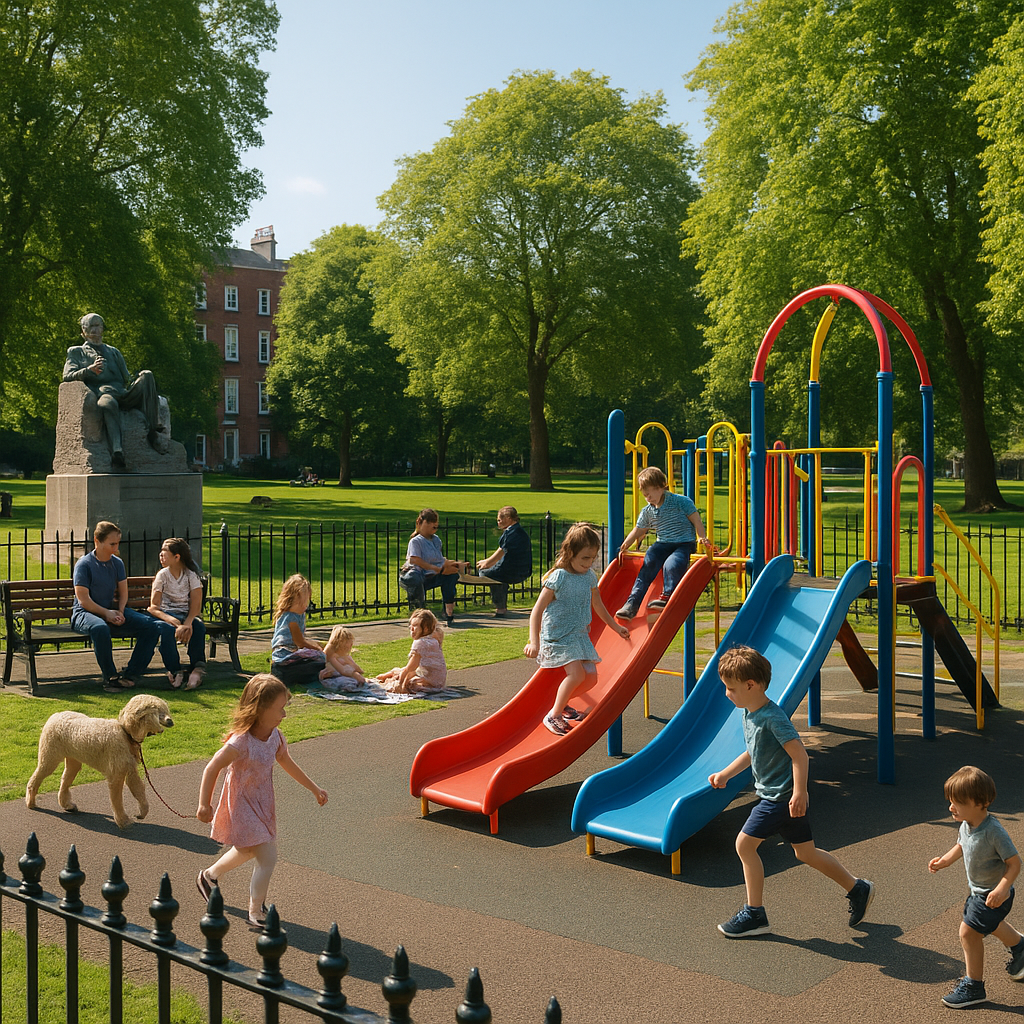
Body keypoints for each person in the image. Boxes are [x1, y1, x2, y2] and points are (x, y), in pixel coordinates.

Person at [708, 645, 874, 938]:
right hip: (780, 799)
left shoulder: (773, 718)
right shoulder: (749, 714)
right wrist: (725, 774)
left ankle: (754, 914)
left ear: (751, 685)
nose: (726, 694)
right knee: (805, 852)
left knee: (744, 845)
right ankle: (857, 888)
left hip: (779, 799)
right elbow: (753, 752)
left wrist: (799, 792)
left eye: (730, 688)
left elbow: (800, 755)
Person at [196, 674, 328, 928]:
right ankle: (256, 911)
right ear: (260, 708)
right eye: (280, 709)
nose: (284, 715)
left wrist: (314, 788)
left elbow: (286, 762)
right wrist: (204, 804)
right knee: (267, 857)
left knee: (247, 850)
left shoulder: (275, 737)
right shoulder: (241, 742)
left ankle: (209, 876)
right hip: (242, 804)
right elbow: (212, 768)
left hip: (262, 803)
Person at [928, 765, 1024, 1008]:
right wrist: (944, 861)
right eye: (950, 800)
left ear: (981, 802)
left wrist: (1002, 888)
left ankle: (974, 987)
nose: (951, 807)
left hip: (994, 893)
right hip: (978, 892)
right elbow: (961, 845)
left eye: (957, 801)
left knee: (968, 933)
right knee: (990, 925)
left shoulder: (994, 831)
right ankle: (1021, 947)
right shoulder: (966, 823)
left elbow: (1014, 864)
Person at [523, 522, 630, 736]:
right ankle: (553, 715)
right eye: (585, 558)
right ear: (570, 553)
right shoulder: (559, 577)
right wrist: (534, 641)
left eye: (593, 558)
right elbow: (537, 611)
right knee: (577, 674)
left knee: (591, 677)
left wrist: (616, 627)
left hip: (578, 635)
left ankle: (562, 704)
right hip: (558, 635)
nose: (589, 563)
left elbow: (598, 605)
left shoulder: (589, 576)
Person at [61, 313, 163, 469]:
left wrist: (139, 378)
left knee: (147, 375)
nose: (95, 329)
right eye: (91, 326)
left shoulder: (113, 352)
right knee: (106, 403)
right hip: (104, 393)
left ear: (102, 328)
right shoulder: (77, 352)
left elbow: (127, 378)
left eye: (98, 325)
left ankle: (153, 431)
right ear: (83, 331)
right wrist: (89, 370)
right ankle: (117, 451)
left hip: (123, 392)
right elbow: (67, 376)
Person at [70, 520, 162, 692]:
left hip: (110, 610)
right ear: (97, 540)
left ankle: (132, 673)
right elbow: (83, 600)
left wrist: (120, 611)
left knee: (152, 626)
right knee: (100, 628)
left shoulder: (117, 563)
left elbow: (123, 592)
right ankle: (111, 677)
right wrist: (107, 614)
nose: (116, 548)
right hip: (85, 613)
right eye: (112, 544)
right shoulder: (84, 564)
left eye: (117, 543)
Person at [615, 466, 713, 620]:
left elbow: (696, 519)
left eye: (650, 493)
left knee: (672, 564)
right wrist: (625, 544)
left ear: (661, 486)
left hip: (684, 543)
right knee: (649, 562)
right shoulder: (648, 511)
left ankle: (667, 596)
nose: (648, 497)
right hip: (663, 544)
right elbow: (639, 529)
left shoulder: (680, 501)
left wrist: (701, 536)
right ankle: (631, 605)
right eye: (645, 495)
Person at [148, 537, 206, 690]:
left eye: (164, 552)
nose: (160, 555)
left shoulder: (190, 576)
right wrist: (177, 624)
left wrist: (187, 623)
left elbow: (196, 604)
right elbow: (153, 607)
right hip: (166, 614)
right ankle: (175, 669)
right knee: (166, 631)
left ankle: (198, 667)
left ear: (177, 556)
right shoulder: (162, 575)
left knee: (198, 627)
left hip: (186, 615)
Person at [398, 508, 465, 627]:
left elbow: (439, 559)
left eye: (435, 526)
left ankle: (448, 613)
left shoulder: (436, 540)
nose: (432, 529)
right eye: (429, 525)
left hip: (433, 575)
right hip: (420, 575)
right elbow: (415, 560)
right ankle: (419, 614)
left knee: (451, 576)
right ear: (421, 522)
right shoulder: (416, 541)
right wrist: (436, 569)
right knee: (416, 578)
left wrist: (454, 565)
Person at [476, 506, 533, 617]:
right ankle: (501, 607)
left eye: (499, 520)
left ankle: (500, 608)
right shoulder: (520, 532)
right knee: (494, 575)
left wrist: (486, 564)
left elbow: (500, 553)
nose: (498, 523)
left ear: (508, 518)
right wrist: (487, 562)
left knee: (484, 574)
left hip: (510, 571)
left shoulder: (511, 533)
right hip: (524, 570)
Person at [270, 574, 326, 686]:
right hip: (285, 657)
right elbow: (300, 642)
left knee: (318, 658)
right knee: (321, 659)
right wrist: (318, 649)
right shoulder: (290, 617)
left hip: (293, 654)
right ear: (290, 599)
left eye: (306, 602)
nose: (304, 606)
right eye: (301, 603)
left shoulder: (299, 615)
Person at [378, 609, 448, 694]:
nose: (411, 629)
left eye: (415, 626)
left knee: (401, 681)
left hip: (429, 684)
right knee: (401, 674)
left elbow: (410, 668)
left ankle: (385, 678)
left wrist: (400, 684)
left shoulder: (420, 643)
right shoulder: (432, 639)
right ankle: (386, 676)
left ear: (425, 628)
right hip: (438, 681)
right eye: (410, 626)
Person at [319, 625, 368, 691]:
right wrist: (354, 674)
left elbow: (359, 670)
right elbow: (342, 670)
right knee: (347, 683)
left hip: (346, 676)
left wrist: (351, 666)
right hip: (335, 678)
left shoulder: (346, 656)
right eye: (348, 642)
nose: (351, 645)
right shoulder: (333, 657)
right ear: (341, 643)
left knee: (361, 681)